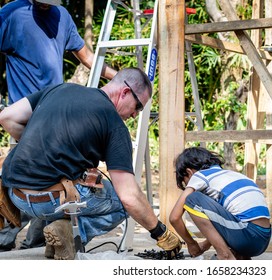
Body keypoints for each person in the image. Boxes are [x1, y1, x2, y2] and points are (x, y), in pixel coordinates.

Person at [0, 67, 182, 260]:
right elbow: (129, 197)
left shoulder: (59, 89)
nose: (136, 115)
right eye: (138, 107)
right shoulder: (114, 125)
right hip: (51, 201)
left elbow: (6, 117)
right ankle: (70, 234)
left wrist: (41, 144)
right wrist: (160, 232)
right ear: (125, 92)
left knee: (78, 184)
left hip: (15, 195)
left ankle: (58, 238)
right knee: (122, 203)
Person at [0, 0, 117, 251]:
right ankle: (6, 238)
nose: (45, 6)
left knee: (53, 180)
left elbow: (86, 56)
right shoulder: (11, 14)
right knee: (25, 177)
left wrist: (120, 79)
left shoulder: (62, 16)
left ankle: (38, 241)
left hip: (55, 114)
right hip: (24, 114)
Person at [170, 147, 272, 260]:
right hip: (263, 239)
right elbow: (221, 221)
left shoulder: (200, 175)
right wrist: (205, 245)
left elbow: (174, 217)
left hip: (247, 235)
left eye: (185, 182)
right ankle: (239, 256)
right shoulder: (232, 175)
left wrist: (191, 244)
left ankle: (225, 255)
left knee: (192, 200)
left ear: (189, 172)